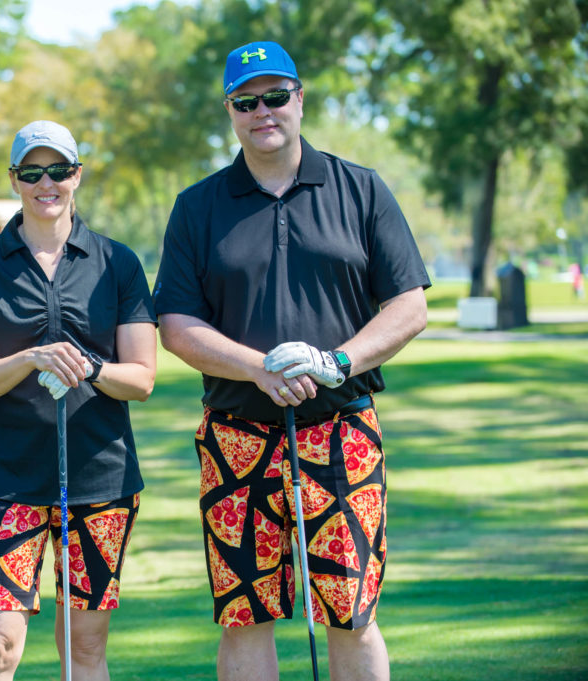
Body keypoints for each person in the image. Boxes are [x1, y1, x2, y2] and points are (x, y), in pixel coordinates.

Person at [153, 41, 430, 681]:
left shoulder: (360, 189)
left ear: (299, 99)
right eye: (246, 102)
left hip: (342, 431)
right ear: (230, 111)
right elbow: (176, 323)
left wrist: (338, 360)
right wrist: (256, 367)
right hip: (236, 436)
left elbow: (408, 306)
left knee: (352, 610)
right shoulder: (199, 205)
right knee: (244, 615)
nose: (263, 111)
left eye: (276, 96)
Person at [0, 120, 157, 681]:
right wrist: (30, 359)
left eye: (59, 170)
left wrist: (90, 366)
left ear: (77, 176)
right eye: (33, 172)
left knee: (83, 650)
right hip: (5, 480)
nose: (48, 183)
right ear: (15, 180)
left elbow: (142, 378)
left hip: (100, 480)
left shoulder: (118, 262)